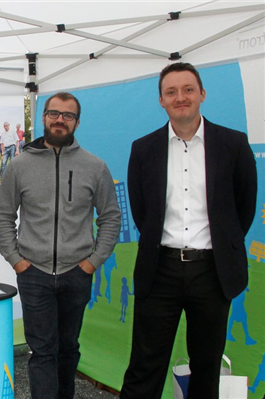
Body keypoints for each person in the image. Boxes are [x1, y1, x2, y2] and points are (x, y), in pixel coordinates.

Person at [121, 62, 257, 398]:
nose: (180, 97)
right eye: (171, 92)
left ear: (202, 95)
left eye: (188, 90)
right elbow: (142, 213)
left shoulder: (234, 144)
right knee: (144, 367)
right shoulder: (144, 149)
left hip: (212, 272)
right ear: (161, 101)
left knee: (207, 368)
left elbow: (243, 208)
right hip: (159, 270)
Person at [0, 92, 121, 399]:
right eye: (54, 113)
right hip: (33, 273)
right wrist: (16, 260)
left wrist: (93, 261)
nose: (60, 120)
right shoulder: (19, 166)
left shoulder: (95, 166)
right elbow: (3, 218)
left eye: (68, 115)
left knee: (68, 349)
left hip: (76, 273)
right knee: (42, 352)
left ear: (77, 122)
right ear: (44, 117)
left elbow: (111, 218)